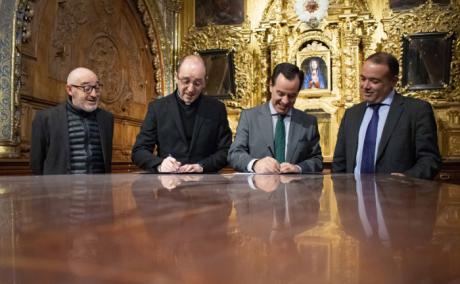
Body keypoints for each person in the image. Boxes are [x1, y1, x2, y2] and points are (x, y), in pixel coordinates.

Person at [332, 52, 442, 179]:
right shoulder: (351, 114)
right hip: (354, 196)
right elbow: (339, 162)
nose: (365, 86)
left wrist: (408, 178)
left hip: (400, 195)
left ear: (393, 81)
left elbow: (430, 159)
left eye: (374, 81)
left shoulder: (416, 111)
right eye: (363, 78)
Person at [132, 54, 232, 173]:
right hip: (168, 185)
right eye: (186, 81)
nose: (190, 89)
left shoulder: (217, 109)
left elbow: (226, 151)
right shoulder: (157, 108)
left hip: (206, 182)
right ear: (176, 77)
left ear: (205, 82)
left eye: (197, 83)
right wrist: (160, 164)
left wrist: (202, 166)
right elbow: (139, 151)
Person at [228, 62, 323, 174]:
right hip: (258, 189)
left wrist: (298, 168)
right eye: (280, 94)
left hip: (295, 189)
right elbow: (234, 154)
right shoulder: (249, 118)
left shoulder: (308, 123)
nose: (285, 101)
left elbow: (317, 160)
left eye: (291, 96)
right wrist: (255, 164)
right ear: (270, 86)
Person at [30, 67, 113, 175]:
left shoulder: (106, 119)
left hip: (99, 190)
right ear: (70, 90)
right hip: (60, 190)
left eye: (97, 88)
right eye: (87, 88)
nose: (93, 94)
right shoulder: (45, 118)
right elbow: (36, 164)